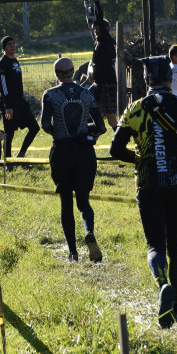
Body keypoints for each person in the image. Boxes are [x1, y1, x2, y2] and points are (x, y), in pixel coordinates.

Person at [110, 57, 177, 328]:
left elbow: (115, 150)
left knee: (155, 245)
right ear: (170, 79)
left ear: (146, 81)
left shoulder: (132, 109)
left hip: (148, 185)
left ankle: (162, 284)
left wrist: (141, 159)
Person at [41, 57, 107, 263]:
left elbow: (44, 124)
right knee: (84, 201)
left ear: (56, 74)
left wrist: (58, 133)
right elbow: (102, 127)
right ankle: (89, 231)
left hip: (62, 151)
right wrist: (88, 135)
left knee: (66, 203)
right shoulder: (86, 94)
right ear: (72, 72)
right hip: (84, 152)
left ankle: (73, 252)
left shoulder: (50, 94)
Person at [0, 36, 39, 161]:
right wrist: (8, 106)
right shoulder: (2, 64)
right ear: (4, 47)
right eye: (9, 44)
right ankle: (8, 161)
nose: (13, 46)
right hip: (9, 103)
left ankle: (21, 155)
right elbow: (3, 87)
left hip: (21, 101)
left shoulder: (15, 61)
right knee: (9, 134)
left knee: (35, 128)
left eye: (14, 44)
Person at [88, 19, 119, 129]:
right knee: (85, 102)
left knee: (111, 118)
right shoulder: (97, 43)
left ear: (105, 29)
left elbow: (99, 16)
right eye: (94, 28)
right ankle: (91, 136)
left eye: (98, 28)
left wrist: (96, 3)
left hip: (108, 83)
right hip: (98, 83)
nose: (95, 30)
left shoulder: (108, 41)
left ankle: (119, 139)